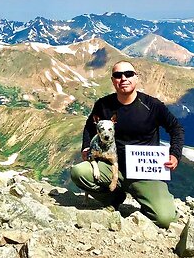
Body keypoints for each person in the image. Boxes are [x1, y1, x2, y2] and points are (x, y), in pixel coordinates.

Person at [70, 60, 185, 229]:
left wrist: (175, 154)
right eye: (118, 75)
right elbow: (89, 127)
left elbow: (176, 128)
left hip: (146, 172)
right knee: (79, 172)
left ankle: (150, 202)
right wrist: (86, 147)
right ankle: (113, 198)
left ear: (136, 78)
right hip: (111, 166)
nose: (123, 78)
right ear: (113, 80)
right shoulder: (103, 105)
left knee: (165, 219)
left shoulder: (153, 106)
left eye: (128, 74)